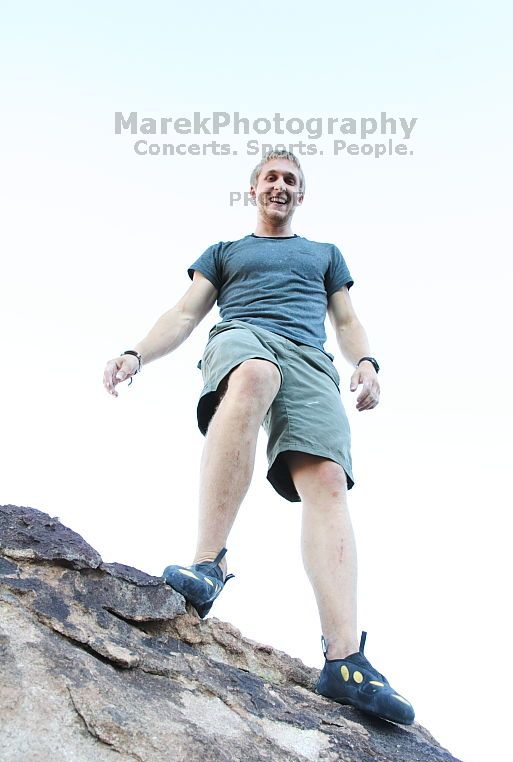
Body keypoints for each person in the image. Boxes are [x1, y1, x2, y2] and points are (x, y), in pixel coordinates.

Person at [102, 149, 415, 725]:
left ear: (300, 195)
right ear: (254, 189)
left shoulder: (323, 255)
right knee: (253, 374)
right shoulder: (224, 252)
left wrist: (366, 362)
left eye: (291, 180)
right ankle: (207, 564)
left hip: (311, 359)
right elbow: (183, 312)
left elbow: (345, 320)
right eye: (271, 177)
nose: (280, 185)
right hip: (242, 334)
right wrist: (135, 354)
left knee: (326, 478)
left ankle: (345, 661)